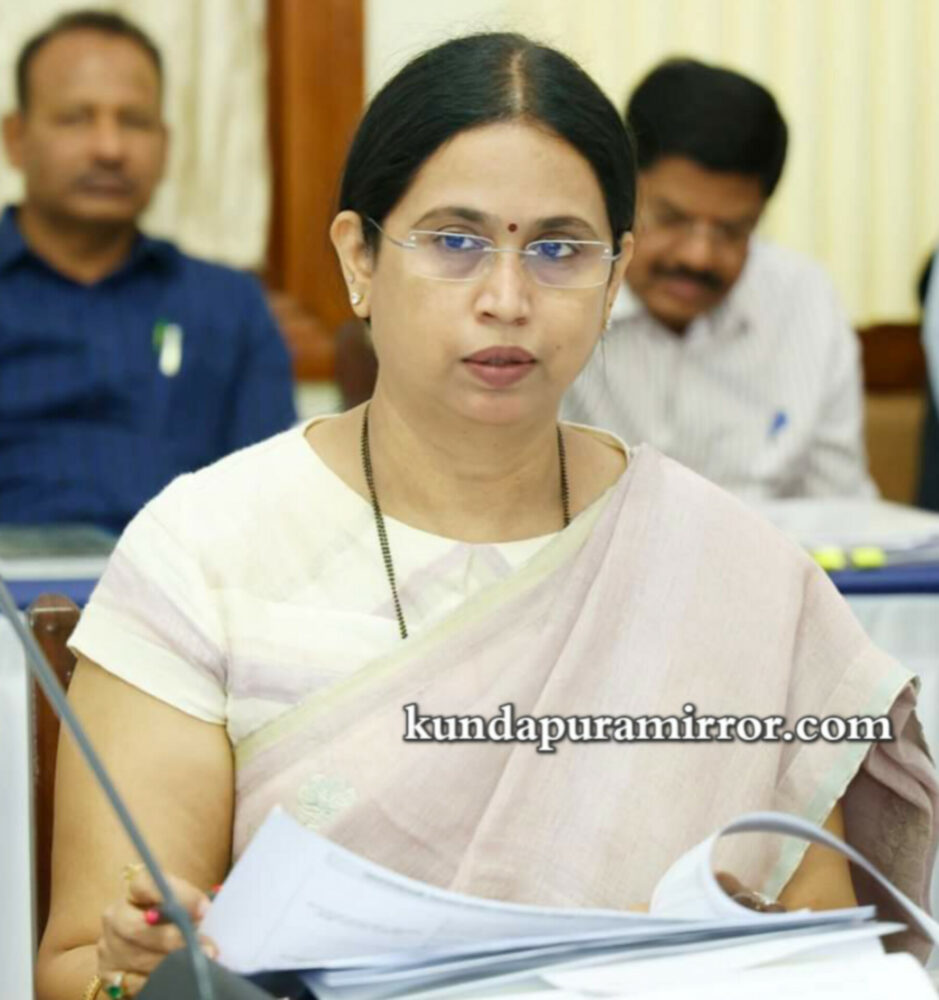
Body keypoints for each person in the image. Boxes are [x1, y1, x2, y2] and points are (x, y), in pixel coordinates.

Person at [36, 33, 936, 1000]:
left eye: (557, 250)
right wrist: (141, 973)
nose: (506, 299)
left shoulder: (729, 571)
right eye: (454, 242)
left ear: (613, 277)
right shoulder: (204, 549)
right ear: (358, 258)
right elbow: (88, 964)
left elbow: (818, 954)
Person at [0, 9, 296, 533]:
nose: (109, 149)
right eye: (76, 118)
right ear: (16, 138)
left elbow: (269, 504)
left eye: (134, 122)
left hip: (182, 576)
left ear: (165, 144)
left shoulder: (227, 307)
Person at [562, 58, 876, 501]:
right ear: (623, 191)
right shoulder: (563, 288)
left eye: (732, 230)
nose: (699, 256)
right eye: (671, 218)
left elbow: (840, 508)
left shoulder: (805, 300)